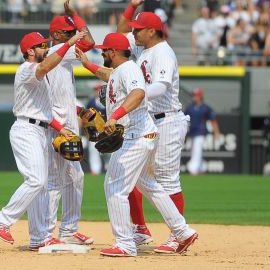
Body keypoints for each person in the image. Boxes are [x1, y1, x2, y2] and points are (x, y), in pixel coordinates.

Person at [76, 32, 198, 257]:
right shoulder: (122, 70)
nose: (102, 52)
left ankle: (125, 243)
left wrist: (115, 116)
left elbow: (139, 92)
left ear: (113, 52)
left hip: (136, 136)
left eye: (104, 49)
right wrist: (87, 64)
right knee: (148, 185)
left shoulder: (129, 69)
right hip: (140, 134)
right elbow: (110, 75)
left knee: (114, 186)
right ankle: (183, 231)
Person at [0, 30, 86, 246]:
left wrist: (61, 129)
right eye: (42, 46)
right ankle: (2, 221)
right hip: (26, 130)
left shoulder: (40, 77)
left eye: (46, 45)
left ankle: (40, 238)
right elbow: (45, 66)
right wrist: (69, 42)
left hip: (41, 130)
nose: (46, 48)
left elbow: (43, 112)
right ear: (30, 51)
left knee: (41, 186)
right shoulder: (27, 69)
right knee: (36, 180)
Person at [117, 1, 193, 254]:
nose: (134, 33)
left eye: (138, 29)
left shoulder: (163, 52)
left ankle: (178, 235)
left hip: (167, 118)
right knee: (137, 174)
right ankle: (141, 229)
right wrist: (130, 8)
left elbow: (161, 87)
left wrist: (135, 95)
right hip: (151, 119)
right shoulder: (145, 49)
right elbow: (118, 35)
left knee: (168, 179)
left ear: (152, 31)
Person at [26, 0, 96, 250]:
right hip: (56, 126)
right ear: (57, 35)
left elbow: (61, 96)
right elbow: (88, 42)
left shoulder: (62, 56)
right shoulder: (60, 51)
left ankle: (68, 230)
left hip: (67, 123)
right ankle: (45, 234)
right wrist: (75, 15)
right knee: (55, 180)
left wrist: (80, 110)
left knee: (75, 177)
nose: (75, 37)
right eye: (69, 33)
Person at [184, 87, 220, 175]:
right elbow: (183, 120)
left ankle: (193, 169)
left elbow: (213, 120)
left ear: (200, 96)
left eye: (196, 95)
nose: (194, 97)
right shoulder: (189, 107)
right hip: (191, 132)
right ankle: (202, 167)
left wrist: (216, 132)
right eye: (193, 95)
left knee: (197, 150)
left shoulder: (205, 108)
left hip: (200, 133)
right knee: (194, 150)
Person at [86, 84, 106, 175]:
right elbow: (86, 117)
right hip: (94, 130)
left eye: (99, 90)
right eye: (96, 90)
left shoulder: (108, 101)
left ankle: (110, 168)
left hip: (107, 129)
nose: (97, 92)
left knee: (111, 150)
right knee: (93, 150)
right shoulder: (91, 102)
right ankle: (95, 170)